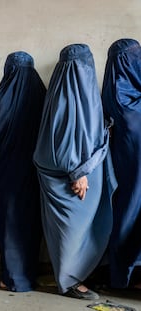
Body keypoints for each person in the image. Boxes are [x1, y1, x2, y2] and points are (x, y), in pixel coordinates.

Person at [33, 43, 117, 300]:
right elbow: (60, 140)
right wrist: (77, 172)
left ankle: (80, 275)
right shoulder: (65, 94)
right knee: (70, 233)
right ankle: (68, 282)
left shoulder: (75, 87)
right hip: (71, 176)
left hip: (81, 172)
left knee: (80, 232)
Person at [0, 51, 46, 292]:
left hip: (7, 172)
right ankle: (30, 274)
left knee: (10, 223)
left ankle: (12, 279)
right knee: (32, 224)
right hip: (36, 172)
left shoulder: (0, 99)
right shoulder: (43, 95)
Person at [101, 38, 141, 289]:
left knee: (125, 215)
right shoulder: (128, 104)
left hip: (123, 173)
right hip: (133, 173)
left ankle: (124, 275)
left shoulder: (109, 97)